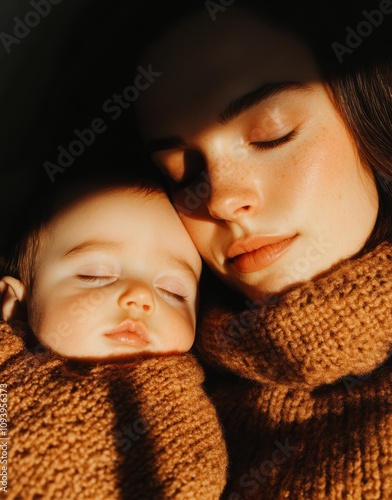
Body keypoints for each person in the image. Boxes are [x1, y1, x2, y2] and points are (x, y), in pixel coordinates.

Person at [132, 0, 392, 498]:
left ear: (366, 120)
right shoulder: (131, 373)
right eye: (183, 173)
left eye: (271, 135)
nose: (223, 200)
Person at [0, 173, 227, 498]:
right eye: (95, 275)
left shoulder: (185, 417)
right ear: (16, 305)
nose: (141, 297)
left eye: (172, 292)